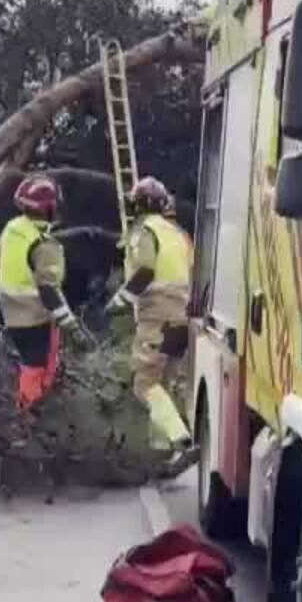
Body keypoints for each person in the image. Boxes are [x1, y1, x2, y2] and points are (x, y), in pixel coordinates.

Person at [109, 176, 196, 467]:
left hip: (157, 314)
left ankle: (180, 440)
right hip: (184, 314)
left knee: (144, 383)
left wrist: (119, 302)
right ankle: (161, 455)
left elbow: (145, 270)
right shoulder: (178, 232)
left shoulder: (143, 231)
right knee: (164, 384)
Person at [0, 175, 84, 411]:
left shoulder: (13, 229)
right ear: (51, 208)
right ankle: (32, 420)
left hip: (11, 313)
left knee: (30, 365)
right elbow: (48, 290)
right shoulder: (45, 246)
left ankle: (33, 413)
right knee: (39, 369)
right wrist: (71, 325)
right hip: (36, 316)